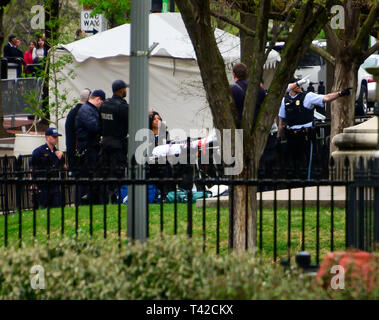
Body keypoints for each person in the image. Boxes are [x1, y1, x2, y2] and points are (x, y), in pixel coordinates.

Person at [277, 76, 351, 179]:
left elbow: (326, 98)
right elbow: (281, 122)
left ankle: (307, 183)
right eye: (297, 84)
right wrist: (279, 137)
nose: (300, 86)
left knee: (307, 163)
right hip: (291, 137)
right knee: (293, 165)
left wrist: (339, 94)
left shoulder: (308, 96)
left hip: (305, 136)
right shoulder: (285, 100)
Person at [75, 89, 105, 203]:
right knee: (88, 175)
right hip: (88, 148)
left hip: (90, 147)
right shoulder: (87, 110)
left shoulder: (88, 109)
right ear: (97, 99)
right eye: (101, 102)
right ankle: (86, 199)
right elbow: (94, 126)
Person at [99, 80, 129, 177]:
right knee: (117, 175)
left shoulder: (104, 104)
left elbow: (100, 122)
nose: (126, 91)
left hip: (105, 143)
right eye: (125, 89)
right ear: (121, 90)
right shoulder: (122, 106)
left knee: (106, 174)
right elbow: (130, 124)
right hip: (118, 145)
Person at [30, 128, 64, 208]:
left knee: (57, 208)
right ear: (47, 137)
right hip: (43, 184)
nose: (56, 139)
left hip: (54, 184)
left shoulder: (57, 152)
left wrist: (61, 159)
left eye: (57, 137)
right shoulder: (39, 151)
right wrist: (33, 183)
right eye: (54, 137)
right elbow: (32, 167)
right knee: (44, 207)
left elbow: (63, 167)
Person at [65, 88, 91, 171]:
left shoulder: (72, 113)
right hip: (81, 153)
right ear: (89, 98)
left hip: (72, 151)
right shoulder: (84, 112)